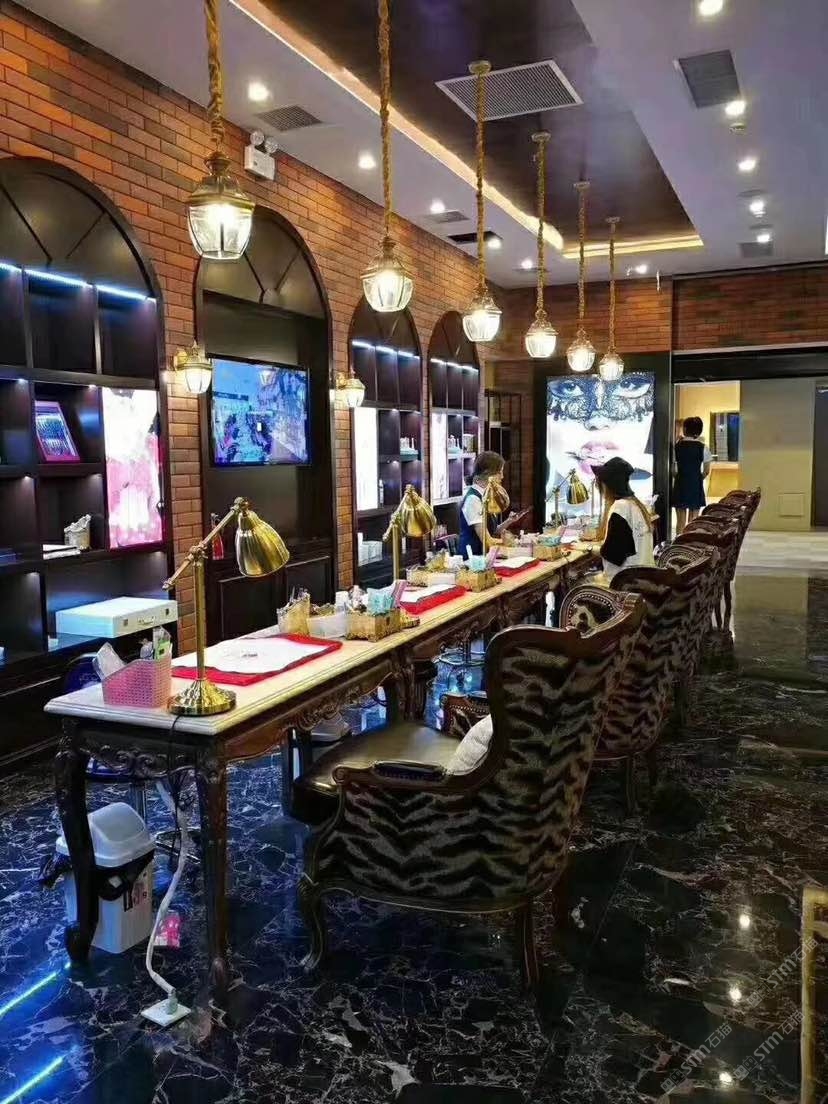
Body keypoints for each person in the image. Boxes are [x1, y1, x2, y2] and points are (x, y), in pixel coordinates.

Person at [593, 456, 654, 582]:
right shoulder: (635, 504)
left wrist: (589, 549)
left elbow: (614, 555)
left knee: (578, 581)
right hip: (645, 577)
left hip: (626, 582)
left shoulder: (620, 508)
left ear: (607, 485)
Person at [459, 451, 515, 557]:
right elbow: (487, 541)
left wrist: (509, 521)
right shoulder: (473, 499)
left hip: (485, 557)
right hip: (472, 560)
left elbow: (494, 531)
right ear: (487, 473)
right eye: (499, 472)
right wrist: (511, 543)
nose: (502, 477)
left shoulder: (486, 496)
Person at [672, 416, 711, 533]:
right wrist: (697, 478)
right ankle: (690, 542)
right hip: (695, 485)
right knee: (693, 521)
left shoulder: (677, 447)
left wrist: (679, 477)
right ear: (699, 430)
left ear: (684, 429)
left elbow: (673, 470)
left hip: (680, 484)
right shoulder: (703, 448)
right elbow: (706, 471)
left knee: (680, 521)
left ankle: (679, 541)